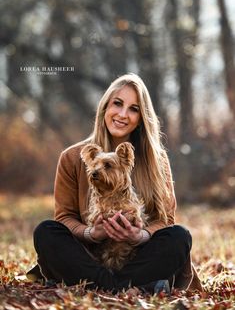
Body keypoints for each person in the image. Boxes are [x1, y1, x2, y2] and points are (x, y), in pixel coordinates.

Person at [28, 73, 202, 293]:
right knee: (46, 232)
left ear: (141, 118)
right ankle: (132, 288)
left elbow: (165, 219)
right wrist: (93, 233)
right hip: (91, 256)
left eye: (133, 108)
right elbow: (64, 218)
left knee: (179, 236)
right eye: (117, 104)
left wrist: (140, 236)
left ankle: (98, 287)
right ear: (104, 108)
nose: (122, 114)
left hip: (137, 257)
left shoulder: (156, 160)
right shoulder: (72, 157)